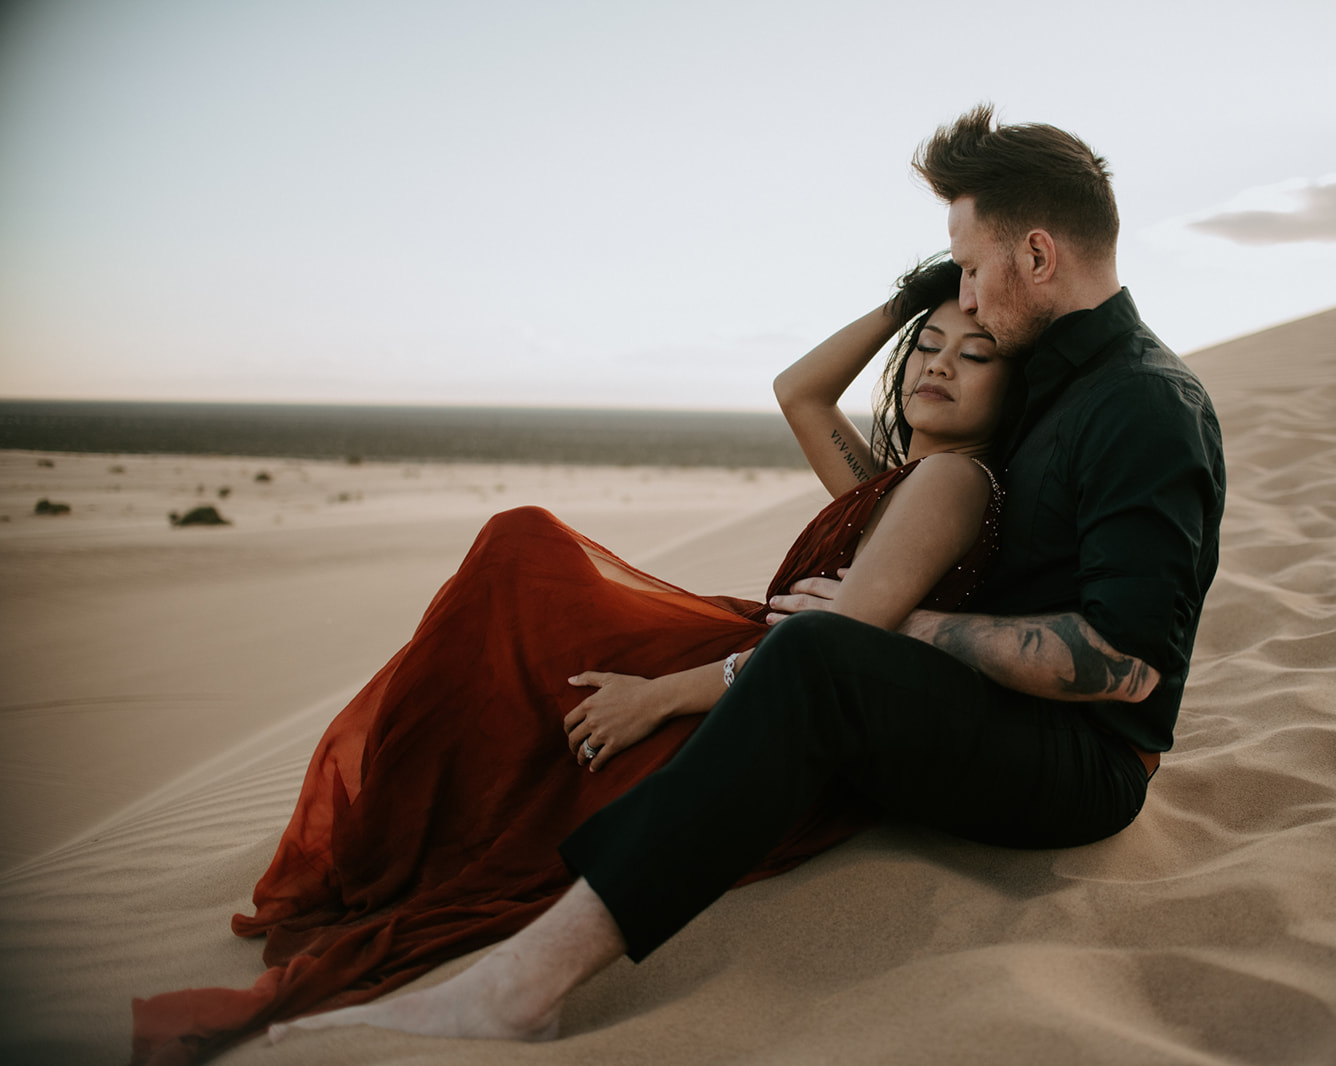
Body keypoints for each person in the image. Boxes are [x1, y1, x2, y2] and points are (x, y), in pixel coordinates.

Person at [256, 104, 1227, 1051]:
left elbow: (1126, 666)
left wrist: (903, 628)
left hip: (1079, 767)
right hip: (977, 709)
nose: (964, 300)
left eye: (971, 270)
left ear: (1039, 256)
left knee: (814, 656)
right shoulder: (1045, 388)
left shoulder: (1142, 404)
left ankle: (519, 987)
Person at [130, 256, 1015, 1065]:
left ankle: (424, 829)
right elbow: (799, 394)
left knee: (527, 570)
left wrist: (660, 696)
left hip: (760, 700)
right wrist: (912, 293)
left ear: (1016, 389)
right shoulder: (891, 478)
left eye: (973, 354)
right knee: (527, 567)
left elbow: (838, 645)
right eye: (926, 345)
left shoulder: (951, 481)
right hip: (749, 659)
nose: (937, 364)